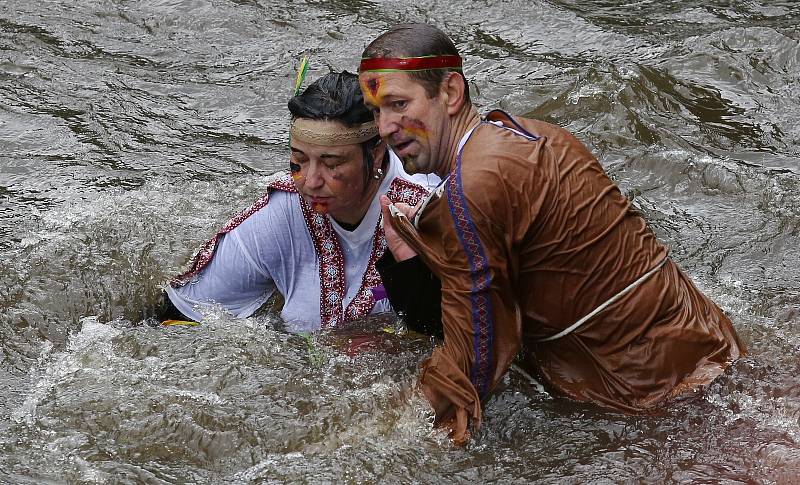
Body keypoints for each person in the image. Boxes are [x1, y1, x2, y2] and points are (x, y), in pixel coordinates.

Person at [359, 23, 745, 443]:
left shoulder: (473, 187)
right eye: (377, 111)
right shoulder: (528, 132)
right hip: (710, 343)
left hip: (648, 397)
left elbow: (478, 357)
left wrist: (388, 424)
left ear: (450, 93)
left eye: (398, 104)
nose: (384, 127)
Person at [158, 71, 438, 333]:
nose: (310, 181)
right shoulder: (281, 213)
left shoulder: (427, 210)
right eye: (299, 160)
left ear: (377, 153)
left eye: (331, 163)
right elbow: (179, 318)